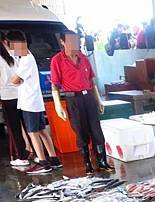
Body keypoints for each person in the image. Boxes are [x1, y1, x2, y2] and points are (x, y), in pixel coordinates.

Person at [50, 30, 112, 174]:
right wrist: (58, 105)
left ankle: (102, 162)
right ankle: (88, 164)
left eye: (76, 41)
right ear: (62, 42)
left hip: (88, 97)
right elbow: (55, 84)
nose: (75, 44)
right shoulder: (57, 60)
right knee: (81, 132)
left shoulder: (83, 58)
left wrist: (98, 100)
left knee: (97, 130)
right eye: (70, 41)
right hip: (73, 99)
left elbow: (91, 80)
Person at [8, 31, 60, 175]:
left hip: (29, 102)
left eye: (11, 45)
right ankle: (54, 159)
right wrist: (19, 80)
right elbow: (18, 80)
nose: (11, 48)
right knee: (42, 131)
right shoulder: (25, 57)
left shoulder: (26, 59)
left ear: (18, 43)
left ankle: (43, 163)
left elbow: (14, 80)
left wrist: (17, 80)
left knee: (32, 133)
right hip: (33, 101)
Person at [0, 32, 29, 167]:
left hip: (7, 97)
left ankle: (22, 156)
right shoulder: (13, 54)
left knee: (14, 129)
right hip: (21, 94)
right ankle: (33, 151)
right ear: (5, 40)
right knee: (27, 126)